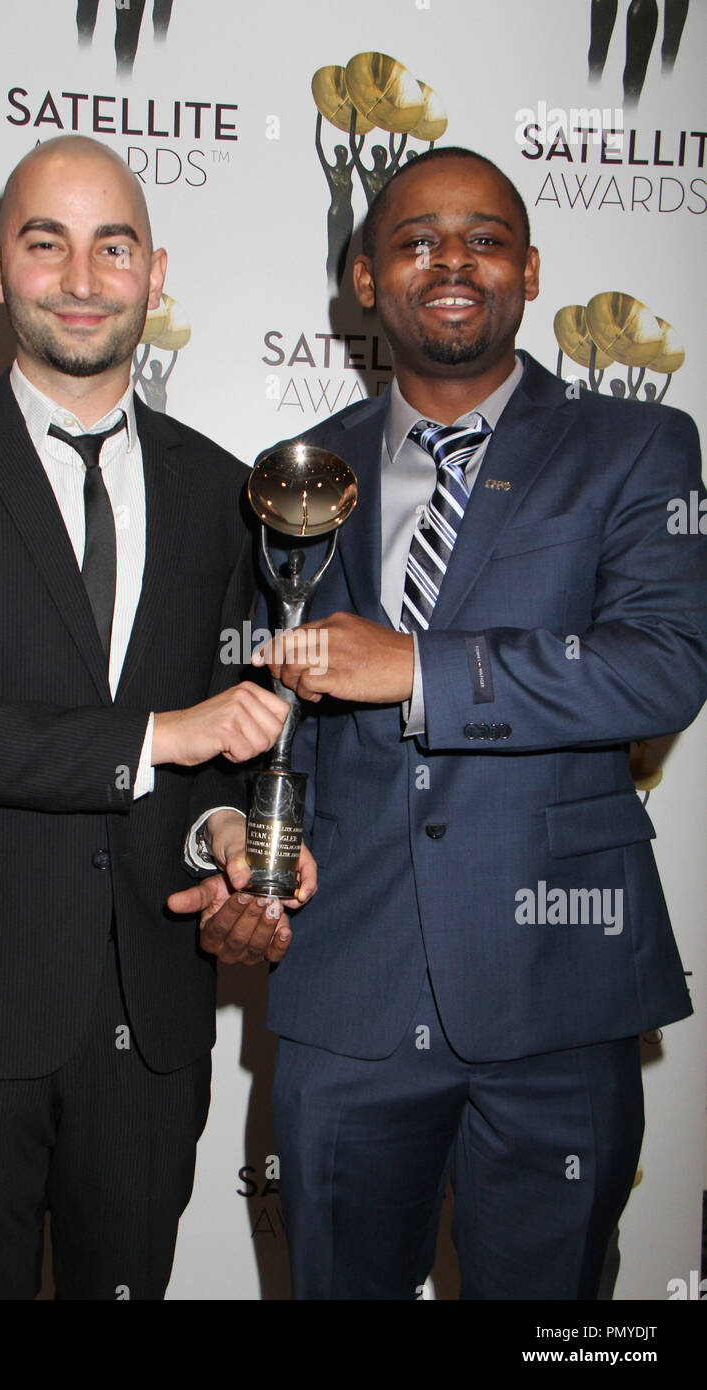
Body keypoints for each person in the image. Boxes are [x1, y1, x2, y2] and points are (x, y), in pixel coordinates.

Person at [0, 134, 314, 1300]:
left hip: (147, 1017)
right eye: (46, 242)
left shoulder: (225, 490)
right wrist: (163, 736)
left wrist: (224, 843)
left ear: (156, 274)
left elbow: (217, 757)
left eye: (115, 244)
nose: (83, 275)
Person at [246, 146, 707, 1299]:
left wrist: (419, 669)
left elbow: (661, 668)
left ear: (530, 269)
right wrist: (226, 842)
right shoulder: (296, 476)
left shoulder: (639, 446)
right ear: (363, 279)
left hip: (557, 984)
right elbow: (258, 712)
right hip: (345, 985)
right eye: (412, 240)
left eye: (483, 237)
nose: (449, 260)